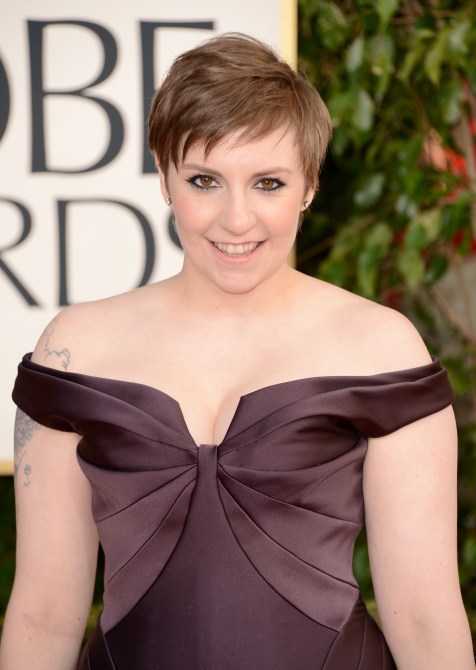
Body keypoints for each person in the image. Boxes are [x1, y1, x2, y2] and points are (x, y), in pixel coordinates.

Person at [0, 32, 474, 670]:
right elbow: (43, 614)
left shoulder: (381, 349)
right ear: (164, 176)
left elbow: (422, 615)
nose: (237, 219)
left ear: (309, 186)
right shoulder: (73, 349)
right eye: (205, 180)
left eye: (268, 183)